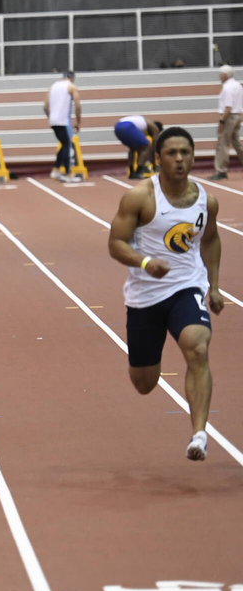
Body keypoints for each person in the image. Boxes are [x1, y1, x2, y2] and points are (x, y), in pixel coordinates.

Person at [107, 126, 223, 461]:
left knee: (198, 348)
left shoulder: (206, 200)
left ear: (193, 156)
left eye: (185, 153)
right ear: (158, 158)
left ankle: (199, 435)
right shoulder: (140, 197)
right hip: (145, 296)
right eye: (171, 153)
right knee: (144, 383)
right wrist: (144, 262)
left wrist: (213, 285)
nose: (179, 160)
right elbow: (115, 243)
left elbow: (211, 239)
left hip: (187, 286)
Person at [44, 71, 82, 182]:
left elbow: (46, 106)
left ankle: (56, 170)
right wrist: (78, 122)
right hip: (63, 121)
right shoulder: (71, 87)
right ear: (72, 78)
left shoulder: (53, 86)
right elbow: (78, 106)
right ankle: (68, 174)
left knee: (64, 144)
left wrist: (50, 118)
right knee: (67, 144)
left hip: (54, 120)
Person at [209, 64, 242, 181]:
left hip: (229, 117)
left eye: (220, 74)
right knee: (237, 143)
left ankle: (221, 170)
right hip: (237, 116)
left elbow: (228, 107)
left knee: (222, 143)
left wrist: (222, 121)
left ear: (224, 75)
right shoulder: (238, 85)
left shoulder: (227, 88)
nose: (219, 76)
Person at [115, 115, 163, 179]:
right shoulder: (155, 129)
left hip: (117, 126)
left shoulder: (142, 125)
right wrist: (154, 165)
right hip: (127, 126)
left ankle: (132, 172)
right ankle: (138, 172)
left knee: (133, 148)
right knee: (147, 146)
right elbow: (153, 149)